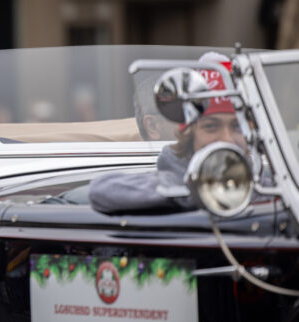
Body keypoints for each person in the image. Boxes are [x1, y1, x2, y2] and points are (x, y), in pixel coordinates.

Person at [89, 53, 245, 213]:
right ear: (189, 133)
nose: (227, 138)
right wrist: (201, 190)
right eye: (211, 126)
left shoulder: (264, 183)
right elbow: (102, 190)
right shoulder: (171, 178)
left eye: (238, 126)